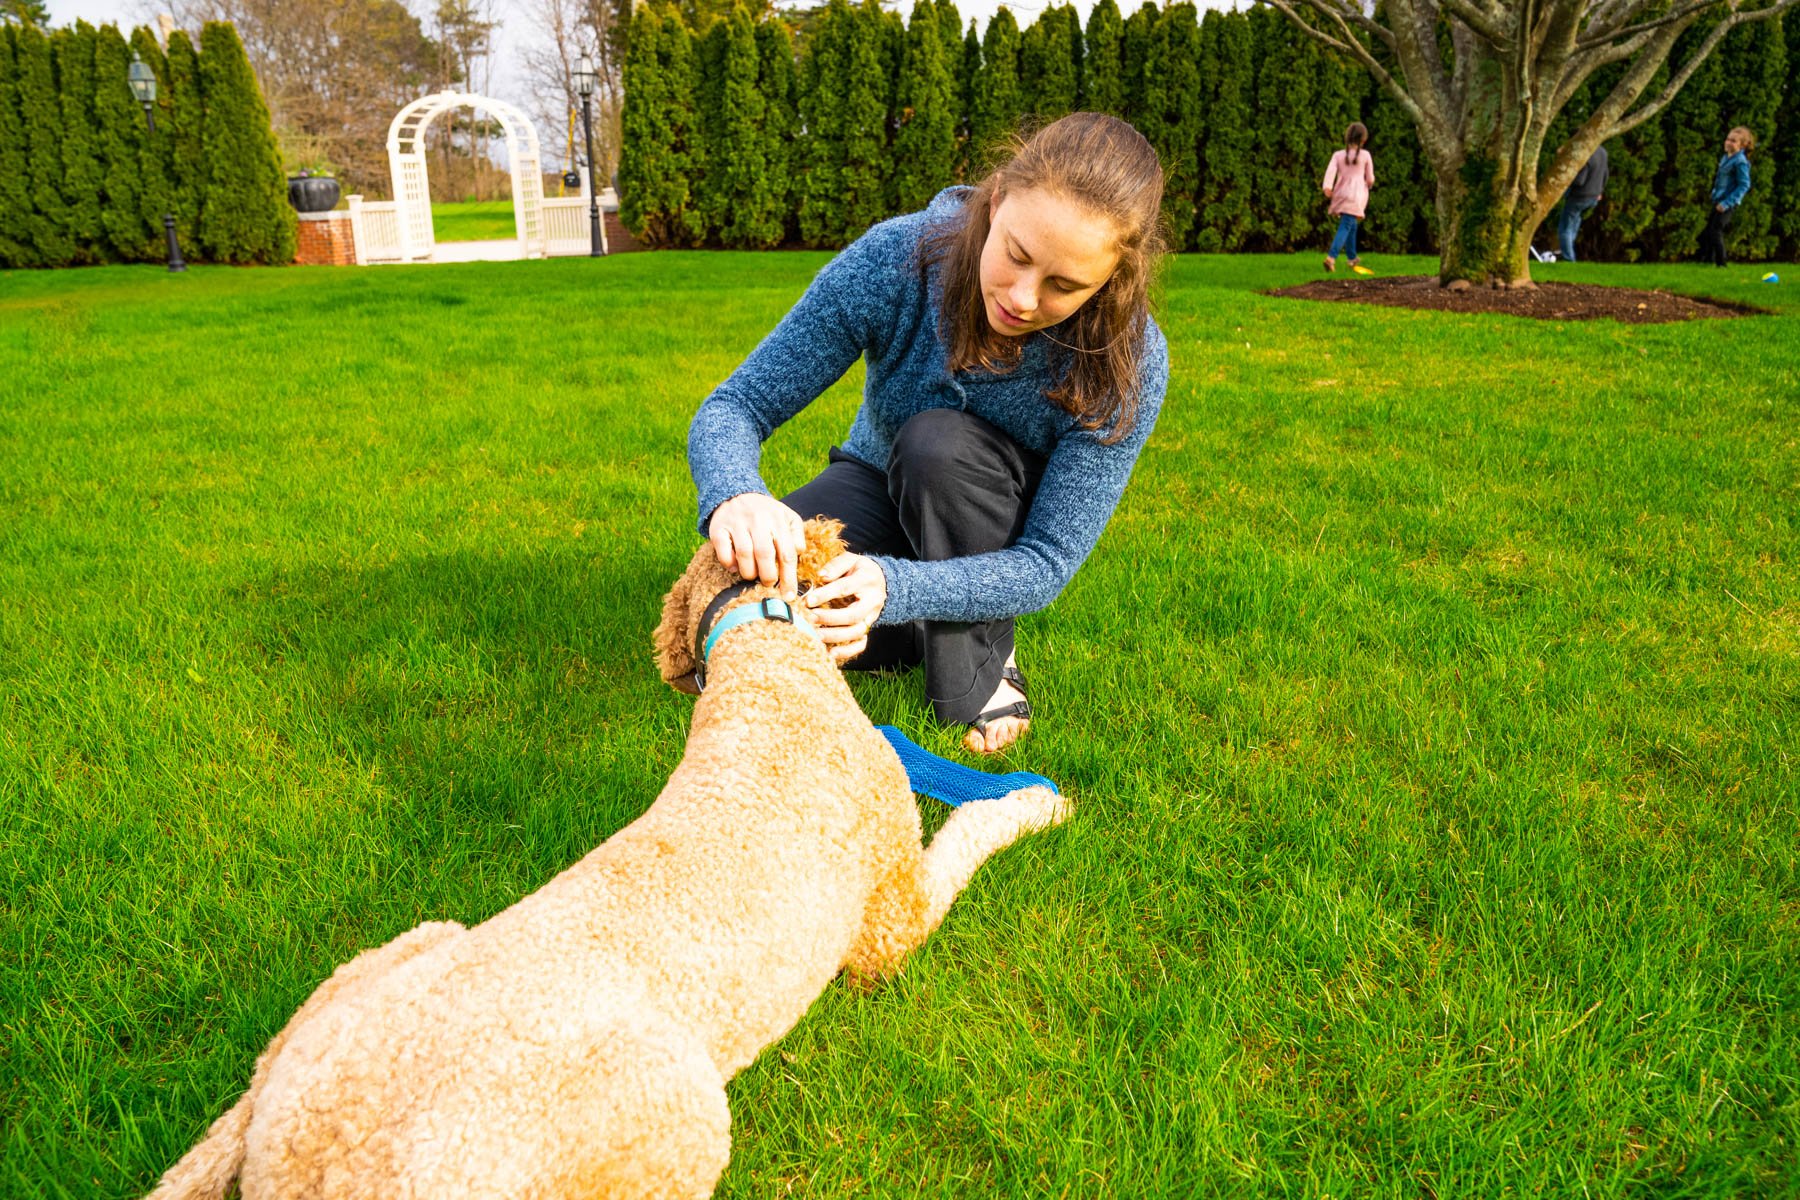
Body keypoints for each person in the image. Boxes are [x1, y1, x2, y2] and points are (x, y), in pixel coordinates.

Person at [685, 113, 1170, 755]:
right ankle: (916, 628)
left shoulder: (1127, 360)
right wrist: (736, 493)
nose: (1023, 299)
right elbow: (735, 405)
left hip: (992, 524)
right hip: (876, 480)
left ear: (1113, 277)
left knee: (935, 447)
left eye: (1064, 285)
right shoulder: (898, 259)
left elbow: (1047, 559)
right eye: (1017, 256)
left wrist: (898, 586)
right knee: (740, 590)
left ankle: (980, 666)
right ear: (995, 204)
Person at [1322, 122, 1375, 275]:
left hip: (1340, 194)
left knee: (1351, 224)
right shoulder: (1365, 156)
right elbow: (1370, 178)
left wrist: (1327, 187)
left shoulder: (1338, 155)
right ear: (1363, 140)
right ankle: (1331, 257)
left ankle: (1352, 258)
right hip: (1356, 195)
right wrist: (1369, 184)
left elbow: (1330, 172)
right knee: (1346, 225)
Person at [1701, 126, 1754, 267]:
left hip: (1728, 202)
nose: (1728, 143)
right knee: (1710, 230)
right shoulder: (1726, 157)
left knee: (1716, 231)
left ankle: (1721, 263)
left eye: (1733, 141)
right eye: (1728, 139)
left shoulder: (1740, 161)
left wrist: (1726, 203)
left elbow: (1744, 185)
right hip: (1718, 198)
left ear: (1742, 145)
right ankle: (1707, 261)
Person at [1557, 144, 1608, 263]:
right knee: (1574, 224)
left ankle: (1569, 259)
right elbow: (1606, 175)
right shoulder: (1602, 152)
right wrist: (1600, 191)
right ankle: (1569, 252)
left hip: (1580, 196)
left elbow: (1580, 181)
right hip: (1594, 197)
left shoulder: (1585, 154)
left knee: (1565, 228)